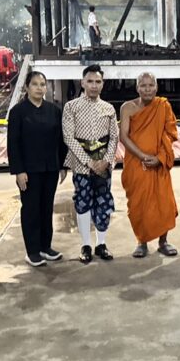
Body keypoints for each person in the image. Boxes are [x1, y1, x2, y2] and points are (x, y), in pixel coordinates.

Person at [7, 70, 68, 267]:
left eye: (43, 84)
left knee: (46, 208)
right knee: (31, 209)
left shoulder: (54, 110)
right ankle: (32, 251)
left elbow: (60, 140)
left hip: (50, 168)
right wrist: (19, 171)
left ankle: (45, 247)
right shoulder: (18, 112)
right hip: (29, 170)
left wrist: (62, 165)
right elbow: (13, 143)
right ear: (27, 87)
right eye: (35, 84)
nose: (39, 88)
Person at [63, 64, 119, 263]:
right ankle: (86, 245)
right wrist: (89, 162)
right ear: (82, 83)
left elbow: (114, 137)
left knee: (103, 202)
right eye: (90, 81)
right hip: (81, 166)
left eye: (98, 82)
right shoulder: (71, 107)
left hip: (104, 165)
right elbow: (68, 137)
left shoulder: (108, 108)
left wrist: (106, 160)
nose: (94, 85)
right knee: (83, 202)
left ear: (102, 84)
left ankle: (101, 244)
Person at [119, 72, 179, 258]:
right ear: (137, 88)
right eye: (143, 85)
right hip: (136, 164)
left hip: (159, 163)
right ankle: (141, 241)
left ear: (156, 87)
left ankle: (163, 242)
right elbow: (124, 136)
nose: (147, 89)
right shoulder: (127, 107)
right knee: (139, 204)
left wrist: (160, 157)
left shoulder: (163, 106)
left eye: (151, 85)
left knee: (164, 203)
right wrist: (143, 156)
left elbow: (170, 134)